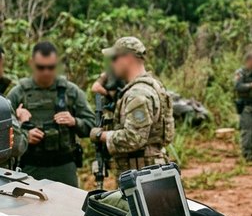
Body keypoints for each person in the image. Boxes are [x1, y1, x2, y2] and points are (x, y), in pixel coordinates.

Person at [6, 42, 95, 187]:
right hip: (30, 167)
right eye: (41, 67)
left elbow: (93, 125)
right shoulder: (18, 93)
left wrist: (74, 122)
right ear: (32, 63)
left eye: (51, 67)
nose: (46, 72)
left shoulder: (70, 92)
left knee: (69, 208)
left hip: (64, 166)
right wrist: (25, 134)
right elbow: (4, 134)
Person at [90, 37, 175, 174]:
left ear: (128, 58)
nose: (112, 64)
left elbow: (133, 138)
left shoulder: (138, 94)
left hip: (141, 174)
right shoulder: (151, 86)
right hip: (148, 171)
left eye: (114, 59)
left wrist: (101, 135)